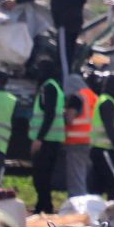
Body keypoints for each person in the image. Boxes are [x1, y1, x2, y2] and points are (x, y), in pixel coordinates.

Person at [1, 0, 87, 79]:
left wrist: (17, 1)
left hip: (64, 21)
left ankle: (64, 82)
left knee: (63, 56)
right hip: (77, 20)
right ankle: (66, 78)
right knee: (70, 52)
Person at [28, 60, 66, 214]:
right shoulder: (55, 86)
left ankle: (45, 207)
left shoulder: (48, 88)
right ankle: (43, 206)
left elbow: (49, 114)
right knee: (44, 175)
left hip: (47, 140)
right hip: (53, 139)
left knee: (40, 175)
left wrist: (39, 138)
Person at [88, 75, 114, 200]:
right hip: (104, 150)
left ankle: (96, 213)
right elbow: (109, 128)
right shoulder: (108, 103)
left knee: (97, 185)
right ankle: (112, 214)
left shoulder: (105, 100)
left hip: (100, 149)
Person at [62, 74, 97, 197]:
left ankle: (77, 207)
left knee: (76, 180)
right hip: (91, 141)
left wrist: (63, 114)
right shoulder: (93, 97)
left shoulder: (76, 97)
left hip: (76, 142)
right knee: (82, 176)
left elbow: (70, 119)